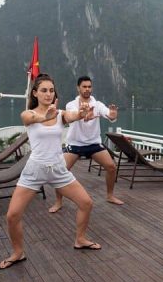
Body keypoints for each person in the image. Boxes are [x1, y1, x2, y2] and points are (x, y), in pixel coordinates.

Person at [0, 74, 101, 270]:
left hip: (58, 168)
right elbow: (31, 118)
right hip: (35, 170)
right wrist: (45, 116)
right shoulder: (28, 114)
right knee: (12, 215)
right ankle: (18, 252)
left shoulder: (61, 113)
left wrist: (81, 113)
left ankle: (80, 239)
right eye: (44, 90)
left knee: (86, 203)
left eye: (51, 90)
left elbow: (72, 116)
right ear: (35, 93)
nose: (48, 94)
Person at [49, 76, 123, 213]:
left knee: (111, 166)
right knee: (61, 170)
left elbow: (109, 114)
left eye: (89, 86)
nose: (87, 89)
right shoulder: (71, 104)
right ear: (78, 88)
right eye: (84, 86)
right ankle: (58, 201)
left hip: (93, 143)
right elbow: (71, 115)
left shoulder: (98, 104)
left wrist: (112, 115)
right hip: (75, 143)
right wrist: (82, 115)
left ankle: (110, 195)